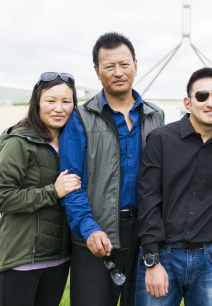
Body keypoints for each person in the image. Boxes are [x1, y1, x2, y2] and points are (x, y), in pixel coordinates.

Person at [60, 32, 165, 306]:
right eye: (109, 66)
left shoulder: (156, 116)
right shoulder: (80, 119)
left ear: (136, 65)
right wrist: (88, 227)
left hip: (145, 236)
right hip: (96, 235)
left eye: (124, 64)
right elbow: (72, 184)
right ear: (97, 71)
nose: (118, 72)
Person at [135, 68, 212, 306]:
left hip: (209, 258)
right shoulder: (160, 139)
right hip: (163, 256)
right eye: (202, 96)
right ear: (188, 102)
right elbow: (148, 200)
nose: (211, 102)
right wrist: (152, 261)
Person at [0, 72, 82, 306]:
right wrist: (53, 191)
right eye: (51, 101)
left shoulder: (72, 142)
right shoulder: (19, 141)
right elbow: (0, 196)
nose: (59, 108)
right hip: (22, 259)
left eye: (66, 101)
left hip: (58, 259)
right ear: (37, 103)